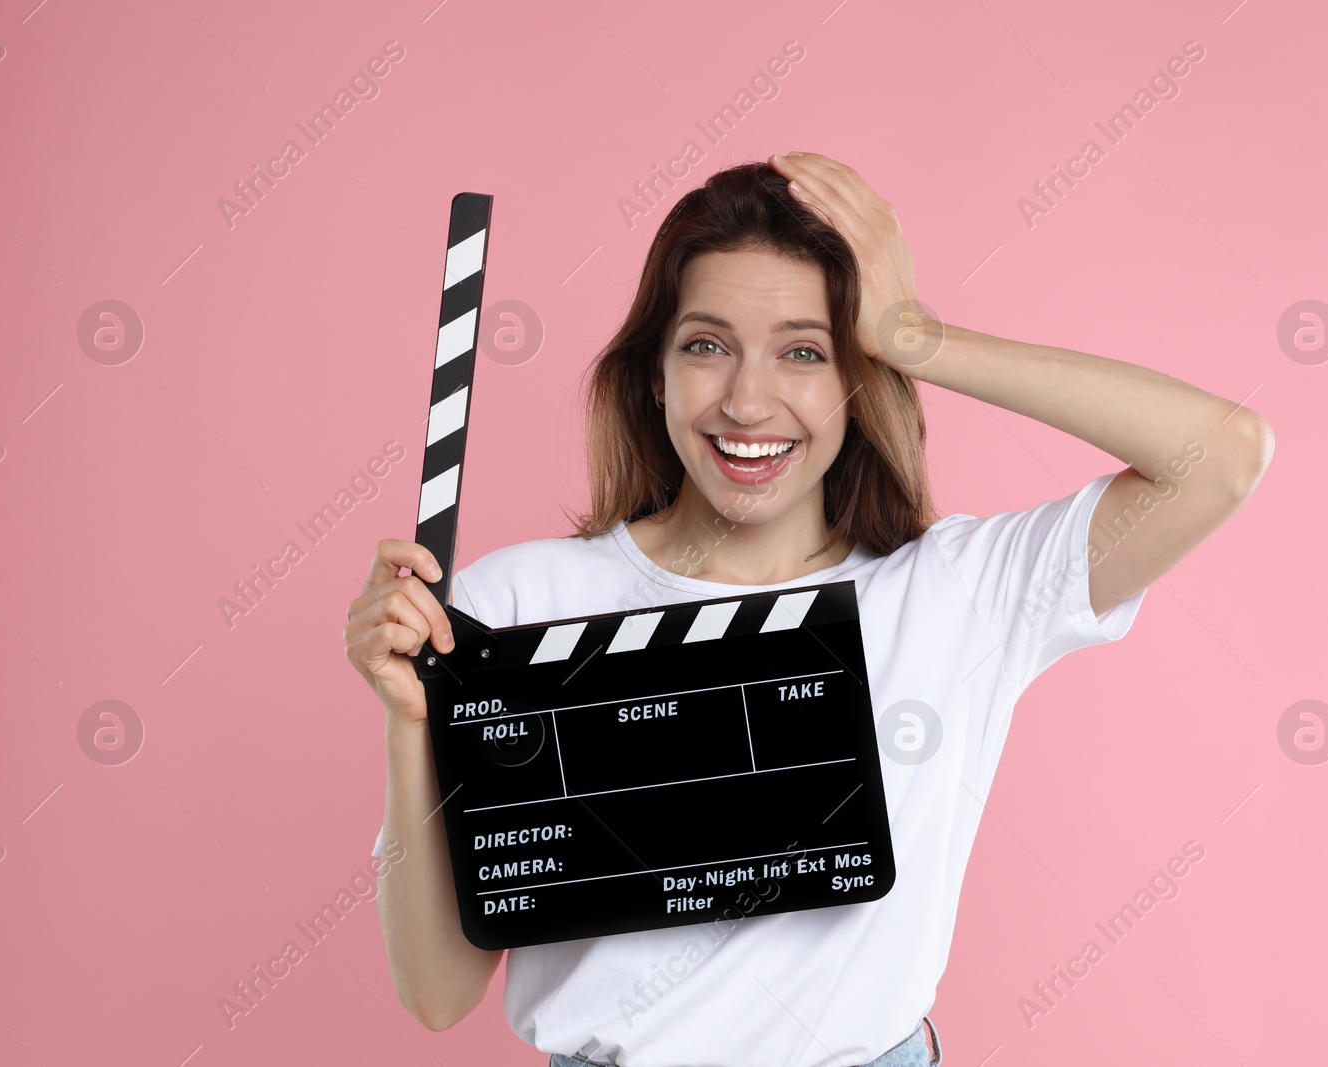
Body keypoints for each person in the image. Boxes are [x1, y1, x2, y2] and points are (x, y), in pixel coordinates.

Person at [345, 152, 1273, 1067]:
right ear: (656, 372)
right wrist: (408, 722)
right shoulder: (511, 605)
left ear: (854, 379)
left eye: (804, 351)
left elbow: (1224, 454)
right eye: (706, 345)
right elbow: (437, 995)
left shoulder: (956, 593)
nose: (749, 402)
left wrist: (918, 336)